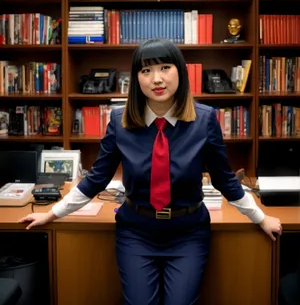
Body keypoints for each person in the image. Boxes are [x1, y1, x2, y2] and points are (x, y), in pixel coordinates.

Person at [19, 38, 282, 305]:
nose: (156, 79)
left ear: (180, 70)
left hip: (188, 233)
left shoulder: (204, 121)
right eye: (146, 71)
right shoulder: (119, 122)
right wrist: (51, 213)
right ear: (136, 79)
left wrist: (261, 218)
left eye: (165, 67)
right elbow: (97, 177)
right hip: (136, 232)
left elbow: (225, 179)